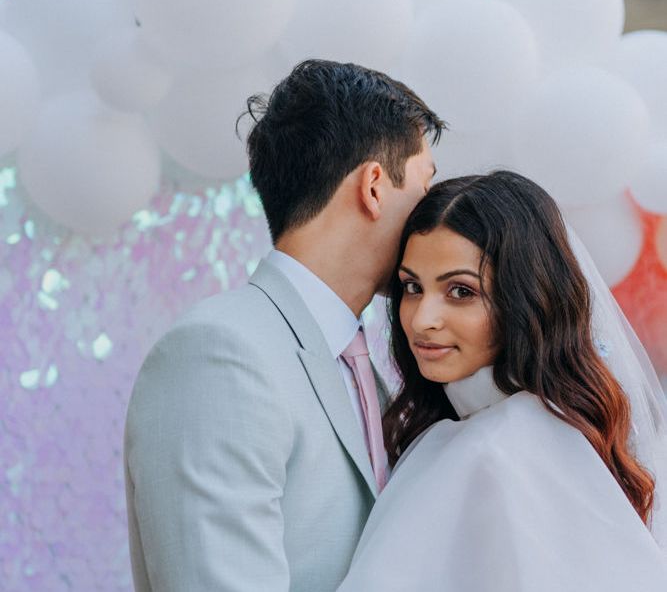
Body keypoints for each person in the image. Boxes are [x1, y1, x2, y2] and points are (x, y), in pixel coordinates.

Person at [123, 59, 445, 591]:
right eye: (426, 183)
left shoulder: (377, 373)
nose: (436, 215)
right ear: (373, 186)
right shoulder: (218, 355)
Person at [338, 171, 667, 591]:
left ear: (524, 298)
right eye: (412, 287)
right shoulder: (472, 433)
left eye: (460, 291)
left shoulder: (505, 446)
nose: (422, 320)